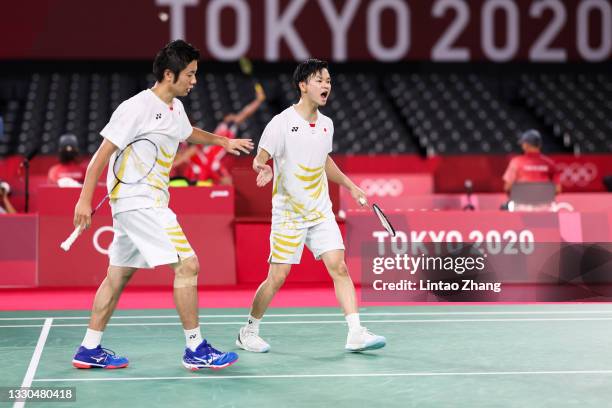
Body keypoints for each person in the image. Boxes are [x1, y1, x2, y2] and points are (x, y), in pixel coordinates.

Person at [70, 40, 253, 371]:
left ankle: (88, 347)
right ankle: (195, 348)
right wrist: (84, 199)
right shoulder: (136, 107)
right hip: (141, 200)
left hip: (138, 203)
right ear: (169, 74)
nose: (194, 81)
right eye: (190, 74)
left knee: (117, 276)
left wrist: (222, 140)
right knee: (188, 265)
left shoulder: (175, 109)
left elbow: (187, 132)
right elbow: (101, 155)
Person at [236, 59, 386, 353]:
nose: (326, 85)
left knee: (339, 267)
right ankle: (248, 331)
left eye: (328, 80)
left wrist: (351, 186)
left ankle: (355, 331)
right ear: (302, 86)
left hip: (320, 211)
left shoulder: (326, 125)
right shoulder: (281, 123)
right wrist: (262, 168)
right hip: (289, 214)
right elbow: (261, 157)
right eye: (319, 80)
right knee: (277, 277)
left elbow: (324, 161)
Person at [174, 83, 266, 185]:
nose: (233, 116)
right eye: (230, 114)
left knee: (225, 184)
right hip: (204, 161)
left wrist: (259, 100)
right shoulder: (221, 128)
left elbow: (244, 114)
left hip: (211, 163)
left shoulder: (228, 127)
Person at [503, 129, 560, 193]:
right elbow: (557, 189)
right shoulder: (550, 163)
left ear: (526, 145)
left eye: (522, 144)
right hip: (545, 202)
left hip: (521, 201)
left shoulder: (516, 162)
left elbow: (507, 187)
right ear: (539, 145)